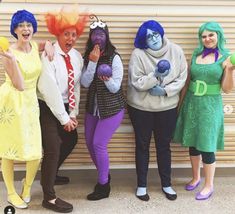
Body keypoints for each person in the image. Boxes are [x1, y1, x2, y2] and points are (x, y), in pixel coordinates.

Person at [127, 20, 187, 201]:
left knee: (164, 146)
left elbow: (182, 77)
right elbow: (137, 82)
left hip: (167, 107)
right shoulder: (138, 54)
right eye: (148, 37)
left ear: (161, 33)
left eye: (155, 34)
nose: (153, 38)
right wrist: (156, 76)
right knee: (142, 145)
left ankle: (166, 184)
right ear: (143, 40)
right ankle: (142, 185)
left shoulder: (176, 50)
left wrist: (166, 91)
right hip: (140, 108)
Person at [173, 21, 234, 200]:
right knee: (193, 142)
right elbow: (187, 81)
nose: (207, 39)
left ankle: (209, 185)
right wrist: (180, 105)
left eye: (211, 35)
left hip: (210, 106)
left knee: (207, 146)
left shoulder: (226, 57)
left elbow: (228, 89)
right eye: (204, 35)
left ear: (218, 35)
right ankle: (196, 177)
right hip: (192, 104)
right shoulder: (196, 54)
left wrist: (230, 70)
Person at [0, 9, 53, 209]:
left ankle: (27, 186)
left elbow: (41, 45)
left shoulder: (32, 45)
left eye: (29, 25)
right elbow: (20, 85)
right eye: (21, 25)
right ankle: (11, 193)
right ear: (14, 29)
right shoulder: (7, 53)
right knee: (9, 150)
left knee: (35, 153)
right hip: (12, 102)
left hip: (31, 102)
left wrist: (48, 44)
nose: (25, 28)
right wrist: (12, 60)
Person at [37, 6, 88, 213]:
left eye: (74, 34)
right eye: (66, 34)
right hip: (47, 105)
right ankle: (48, 197)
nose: (71, 38)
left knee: (71, 139)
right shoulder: (49, 55)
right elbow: (48, 89)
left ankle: (51, 172)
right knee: (53, 146)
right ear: (57, 34)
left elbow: (75, 85)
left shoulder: (76, 57)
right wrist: (63, 118)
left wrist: (73, 113)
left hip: (66, 106)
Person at [81, 15, 126, 201]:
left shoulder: (114, 57)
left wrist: (106, 80)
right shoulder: (88, 56)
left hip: (112, 108)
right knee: (90, 144)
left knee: (99, 144)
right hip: (93, 107)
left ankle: (103, 185)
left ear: (106, 36)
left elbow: (115, 87)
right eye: (94, 34)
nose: (98, 37)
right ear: (90, 37)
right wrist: (92, 62)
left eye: (101, 34)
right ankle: (104, 174)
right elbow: (84, 83)